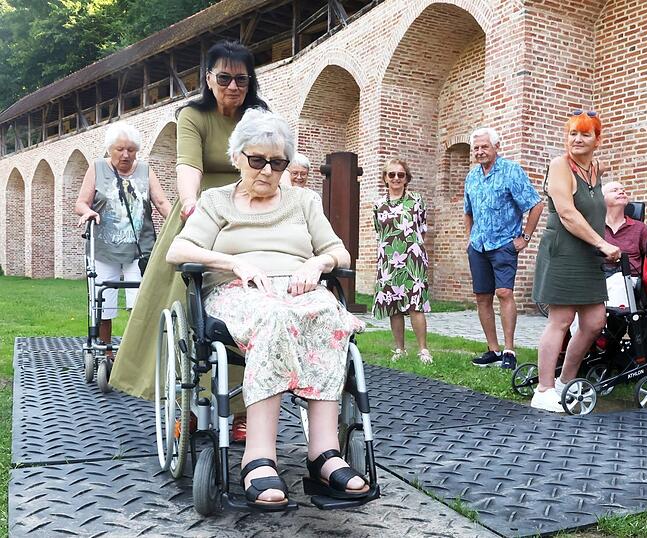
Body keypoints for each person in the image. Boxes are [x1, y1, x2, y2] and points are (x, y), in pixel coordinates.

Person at [167, 108, 369, 508]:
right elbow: (179, 249)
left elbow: (338, 252)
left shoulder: (304, 201)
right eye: (257, 160)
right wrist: (233, 263)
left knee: (328, 315)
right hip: (238, 291)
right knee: (273, 318)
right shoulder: (216, 201)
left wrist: (317, 264)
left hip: (297, 288)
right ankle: (258, 455)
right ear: (237, 157)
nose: (266, 171)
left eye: (277, 163)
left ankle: (324, 453)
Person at [111, 41, 269, 442]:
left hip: (247, 214)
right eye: (224, 77)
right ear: (208, 78)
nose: (233, 86)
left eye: (241, 78)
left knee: (245, 306)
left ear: (250, 81)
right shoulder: (192, 116)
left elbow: (269, 162)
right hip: (201, 211)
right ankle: (188, 404)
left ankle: (240, 410)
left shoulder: (259, 115)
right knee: (184, 304)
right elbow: (189, 166)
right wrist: (191, 204)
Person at [531, 110, 621, 413]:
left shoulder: (596, 168)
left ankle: (564, 382)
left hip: (588, 253)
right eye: (572, 133)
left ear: (597, 139)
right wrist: (602, 242)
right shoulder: (559, 166)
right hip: (565, 251)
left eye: (585, 134)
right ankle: (543, 390)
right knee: (561, 320)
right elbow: (568, 214)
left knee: (595, 321)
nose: (577, 139)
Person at [74, 121, 172, 352]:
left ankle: (132, 354)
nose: (126, 155)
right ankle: (105, 351)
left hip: (140, 250)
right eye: (120, 149)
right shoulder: (97, 168)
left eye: (131, 150)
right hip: (104, 249)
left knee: (139, 305)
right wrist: (88, 212)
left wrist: (181, 220)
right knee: (103, 305)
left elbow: (161, 202)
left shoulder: (146, 170)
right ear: (110, 149)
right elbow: (81, 202)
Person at [465, 127, 544, 370]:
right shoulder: (472, 176)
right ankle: (493, 350)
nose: (480, 151)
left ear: (496, 147)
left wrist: (525, 237)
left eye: (484, 147)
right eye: (476, 148)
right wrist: (470, 238)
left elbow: (536, 204)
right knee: (482, 297)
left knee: (504, 293)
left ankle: (509, 350)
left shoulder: (511, 171)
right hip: (478, 245)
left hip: (503, 244)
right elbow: (468, 212)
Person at [372, 158, 432, 364]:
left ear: (406, 178)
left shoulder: (416, 200)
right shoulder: (378, 205)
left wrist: (414, 251)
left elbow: (422, 228)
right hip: (389, 260)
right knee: (394, 305)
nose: (396, 178)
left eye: (401, 175)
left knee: (416, 304)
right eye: (392, 175)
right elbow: (380, 232)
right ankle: (400, 349)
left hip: (413, 259)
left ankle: (423, 350)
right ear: (385, 178)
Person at [603, 181, 647, 276]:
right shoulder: (594, 225)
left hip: (629, 277)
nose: (621, 192)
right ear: (602, 198)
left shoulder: (639, 227)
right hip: (599, 276)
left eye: (623, 190)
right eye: (615, 190)